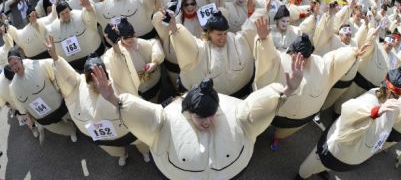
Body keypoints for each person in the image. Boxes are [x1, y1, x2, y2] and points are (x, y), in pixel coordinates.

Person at [87, 49, 304, 179]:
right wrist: (114, 99)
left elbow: (256, 109)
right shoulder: (167, 119)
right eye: (201, 116)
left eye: (211, 114)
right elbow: (145, 116)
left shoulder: (235, 113)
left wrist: (287, 91)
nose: (207, 121)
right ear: (189, 111)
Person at [253, 17, 370, 150]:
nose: (300, 60)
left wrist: (353, 52)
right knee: (261, 122)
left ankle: (277, 137)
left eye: (304, 57)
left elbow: (335, 61)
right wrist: (264, 39)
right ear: (291, 51)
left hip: (299, 118)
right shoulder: (280, 60)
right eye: (297, 55)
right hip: (275, 109)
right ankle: (256, 132)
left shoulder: (319, 65)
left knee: (283, 132)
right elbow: (267, 58)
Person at [44, 36, 151, 166]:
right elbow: (67, 76)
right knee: (113, 149)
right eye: (91, 77)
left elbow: (122, 67)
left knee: (140, 140)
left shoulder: (115, 78)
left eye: (99, 74)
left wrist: (116, 48)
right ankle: (123, 154)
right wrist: (56, 58)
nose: (96, 81)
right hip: (104, 137)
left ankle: (144, 151)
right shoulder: (80, 84)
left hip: (126, 129)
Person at [296, 68, 401, 179]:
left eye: (398, 96)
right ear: (386, 89)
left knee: (327, 165)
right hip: (339, 146)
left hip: (355, 153)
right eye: (394, 95)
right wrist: (375, 112)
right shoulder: (371, 98)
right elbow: (349, 109)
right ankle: (301, 175)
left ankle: (322, 168)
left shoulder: (392, 106)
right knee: (315, 161)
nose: (396, 99)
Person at [168, 11, 256, 98]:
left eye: (225, 33)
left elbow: (248, 33)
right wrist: (176, 30)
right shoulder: (201, 49)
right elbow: (188, 46)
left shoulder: (234, 41)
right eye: (219, 34)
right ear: (209, 33)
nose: (223, 38)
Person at [7, 47, 77, 144]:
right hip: (43, 118)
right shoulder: (13, 86)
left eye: (15, 63)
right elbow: (21, 106)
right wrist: (28, 117)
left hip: (60, 105)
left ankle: (79, 124)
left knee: (76, 116)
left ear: (20, 59)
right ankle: (71, 131)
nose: (14, 67)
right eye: (11, 66)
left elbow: (55, 73)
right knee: (59, 129)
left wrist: (63, 89)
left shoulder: (38, 65)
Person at [103, 18, 164, 102]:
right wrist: (114, 44)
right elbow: (117, 58)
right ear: (120, 38)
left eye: (131, 36)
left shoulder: (140, 43)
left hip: (151, 84)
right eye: (126, 37)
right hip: (134, 89)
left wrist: (155, 63)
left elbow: (154, 43)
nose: (130, 39)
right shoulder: (117, 51)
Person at [46, 0, 104, 71]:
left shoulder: (81, 15)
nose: (65, 15)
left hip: (92, 55)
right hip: (72, 64)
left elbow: (91, 20)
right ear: (59, 15)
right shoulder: (53, 27)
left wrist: (89, 9)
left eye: (67, 12)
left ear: (70, 10)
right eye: (62, 14)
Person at [95, 0, 161, 40]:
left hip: (145, 35)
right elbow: (108, 18)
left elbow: (148, 5)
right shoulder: (107, 3)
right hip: (126, 40)